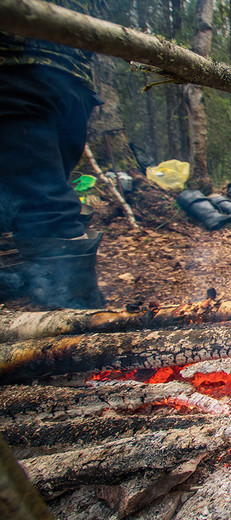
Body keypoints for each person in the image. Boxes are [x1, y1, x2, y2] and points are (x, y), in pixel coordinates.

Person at [0, 0, 105, 309]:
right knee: (40, 201)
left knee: (44, 208)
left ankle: (76, 322)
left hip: (17, 70)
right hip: (72, 78)